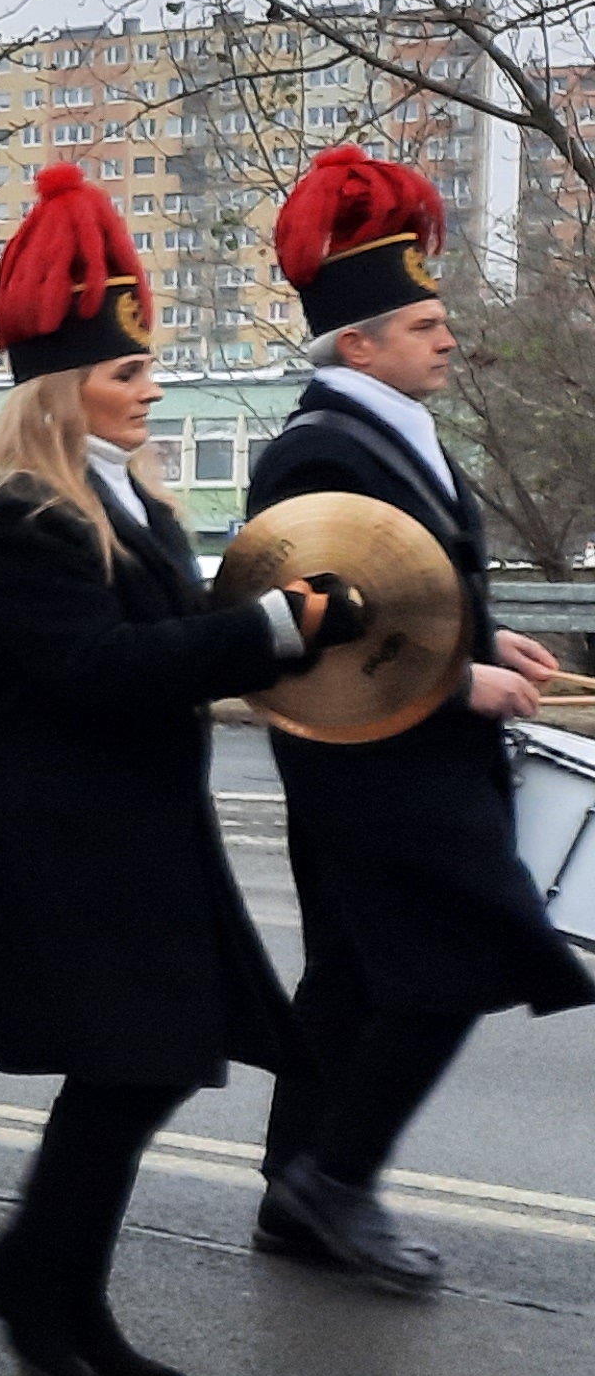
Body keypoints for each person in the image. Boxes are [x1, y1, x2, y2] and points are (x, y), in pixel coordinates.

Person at [0, 169, 340, 1376]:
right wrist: (266, 629)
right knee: (131, 1064)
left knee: (151, 1062)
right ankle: (38, 1287)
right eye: (127, 372)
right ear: (67, 389)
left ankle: (54, 1288)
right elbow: (97, 668)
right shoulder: (25, 515)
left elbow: (174, 650)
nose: (150, 385)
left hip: (136, 830)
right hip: (64, 836)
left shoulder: (129, 504)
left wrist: (314, 623)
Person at [240, 147, 593, 1290]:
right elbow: (315, 617)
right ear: (358, 343)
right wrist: (458, 683)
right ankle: (336, 1180)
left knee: (348, 974)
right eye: (423, 321)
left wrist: (481, 640)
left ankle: (293, 1193)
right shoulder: (318, 448)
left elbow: (395, 586)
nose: (447, 337)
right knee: (460, 961)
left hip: (395, 758)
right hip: (377, 759)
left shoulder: (389, 430)